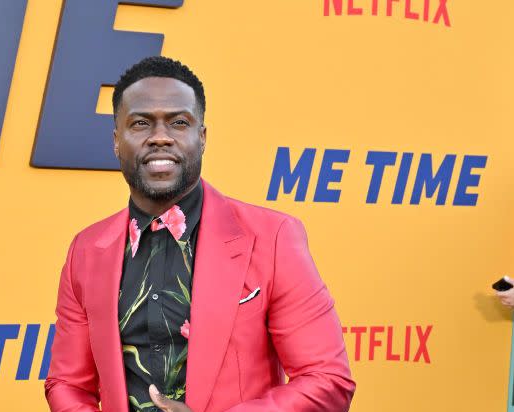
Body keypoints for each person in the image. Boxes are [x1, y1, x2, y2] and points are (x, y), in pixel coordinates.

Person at [44, 56, 355, 412]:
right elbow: (67, 384)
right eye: (141, 123)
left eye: (178, 122)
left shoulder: (273, 237)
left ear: (202, 137)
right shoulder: (87, 250)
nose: (160, 137)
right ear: (117, 140)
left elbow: (327, 380)